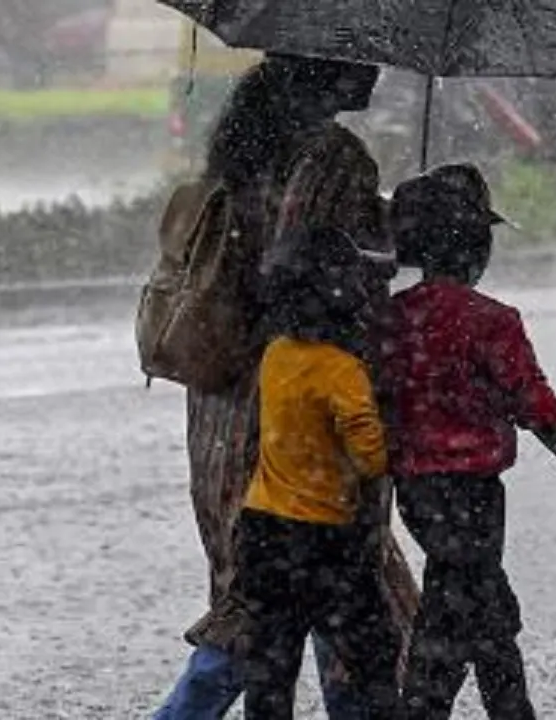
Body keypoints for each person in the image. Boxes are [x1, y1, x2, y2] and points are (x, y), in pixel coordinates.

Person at [155, 55, 417, 720]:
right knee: (338, 585)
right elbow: (316, 271)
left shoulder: (246, 145)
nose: (376, 72)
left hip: (226, 402)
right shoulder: (335, 155)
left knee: (257, 589)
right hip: (308, 400)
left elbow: (266, 259)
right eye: (363, 58)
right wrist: (396, 239)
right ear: (324, 69)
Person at [384, 165, 556, 720]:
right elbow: (539, 411)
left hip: (413, 492)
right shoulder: (492, 322)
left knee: (472, 602)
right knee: (466, 608)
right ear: (474, 247)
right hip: (475, 496)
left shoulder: (391, 318)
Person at [229, 129, 403, 720]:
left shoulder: (277, 355)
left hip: (263, 532)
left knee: (272, 666)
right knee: (372, 650)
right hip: (325, 539)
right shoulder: (343, 370)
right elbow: (372, 456)